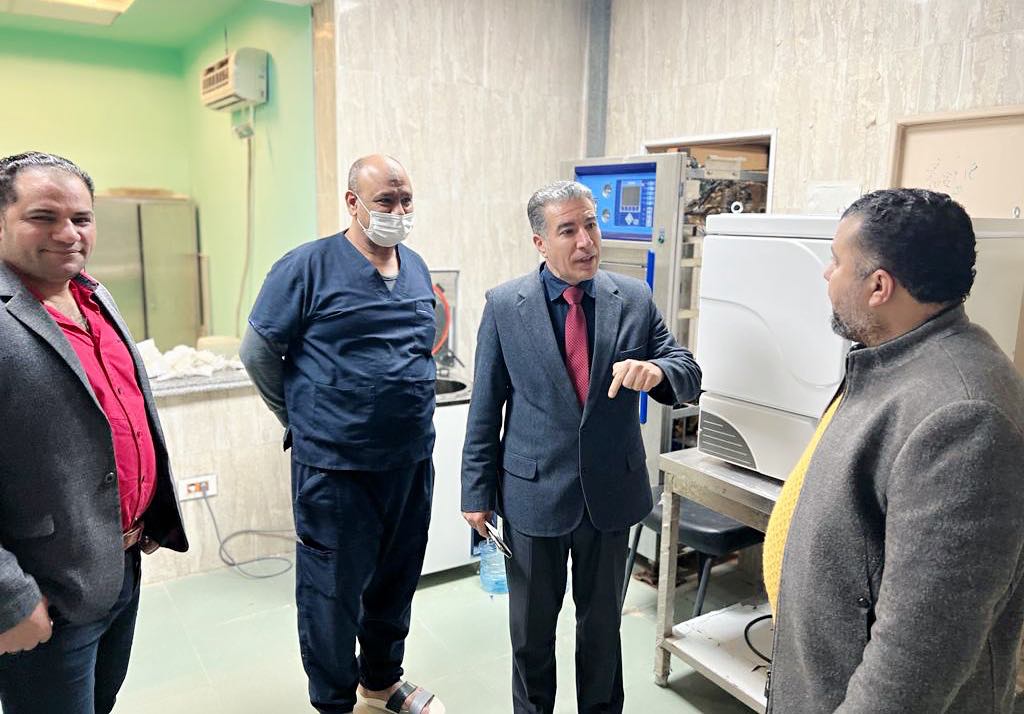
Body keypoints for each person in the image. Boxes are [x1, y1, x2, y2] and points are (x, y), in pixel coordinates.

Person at [762, 188, 1024, 713]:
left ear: (879, 286)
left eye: (837, 261)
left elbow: (918, 658)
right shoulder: (894, 358)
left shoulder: (964, 417)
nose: (827, 274)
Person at [461, 180, 701, 714]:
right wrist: (475, 492)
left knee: (602, 633)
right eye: (568, 230)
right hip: (533, 494)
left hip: (610, 495)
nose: (586, 241)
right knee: (531, 635)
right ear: (540, 242)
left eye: (590, 225)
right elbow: (486, 407)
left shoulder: (632, 298)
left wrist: (657, 371)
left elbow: (687, 370)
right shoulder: (504, 307)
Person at [240, 154, 444, 714]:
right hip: (336, 468)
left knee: (396, 581)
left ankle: (380, 683)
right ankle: (333, 702)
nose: (398, 211)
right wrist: (299, 418)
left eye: (406, 201)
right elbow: (258, 352)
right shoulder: (306, 267)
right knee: (331, 592)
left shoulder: (416, 267)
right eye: (386, 201)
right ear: (353, 203)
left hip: (409, 460)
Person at [0, 151, 188, 714]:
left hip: (118, 562)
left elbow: (123, 414)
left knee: (101, 701)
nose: (68, 234)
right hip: (44, 589)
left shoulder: (93, 295)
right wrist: (8, 596)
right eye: (43, 217)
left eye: (81, 218)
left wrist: (149, 509)